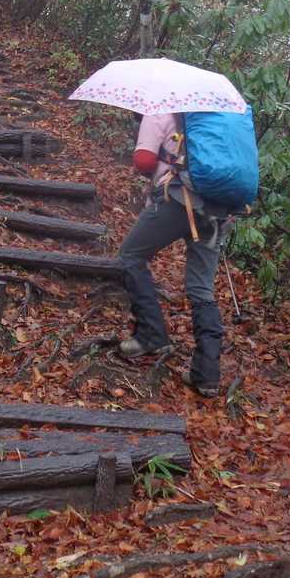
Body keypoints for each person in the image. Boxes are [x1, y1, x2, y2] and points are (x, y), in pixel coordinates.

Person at [117, 111, 228, 397]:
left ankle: (151, 335)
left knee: (130, 256)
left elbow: (144, 160)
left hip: (176, 199)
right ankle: (207, 375)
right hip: (217, 207)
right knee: (202, 288)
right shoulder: (215, 117)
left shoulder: (159, 111)